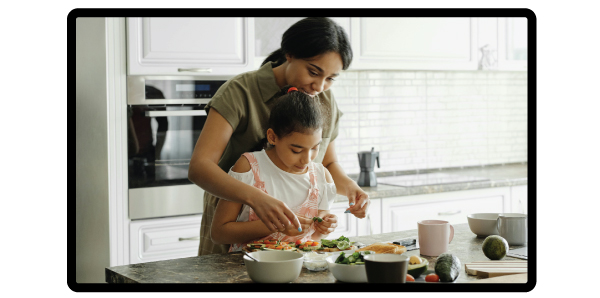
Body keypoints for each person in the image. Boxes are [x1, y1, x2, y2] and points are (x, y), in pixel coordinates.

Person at [188, 17, 370, 255]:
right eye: (313, 72)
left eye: (330, 78)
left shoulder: (324, 99)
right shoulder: (240, 91)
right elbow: (199, 167)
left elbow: (327, 163)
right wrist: (257, 198)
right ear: (290, 54)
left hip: (293, 245)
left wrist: (351, 188)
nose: (319, 86)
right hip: (234, 225)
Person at [211, 86, 338, 250]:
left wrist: (325, 228)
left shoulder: (322, 177)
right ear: (272, 137)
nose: (307, 159)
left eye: (315, 148)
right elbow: (219, 233)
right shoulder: (249, 167)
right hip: (248, 269)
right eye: (296, 150)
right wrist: (276, 225)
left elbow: (315, 238)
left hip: (300, 269)